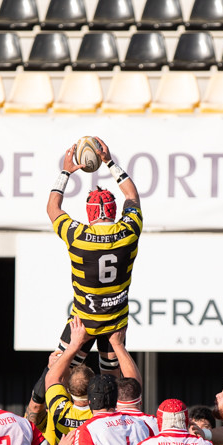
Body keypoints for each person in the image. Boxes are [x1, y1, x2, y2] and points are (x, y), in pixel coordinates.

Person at [47, 136, 143, 375]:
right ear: (114, 210)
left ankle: (35, 412)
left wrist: (65, 172)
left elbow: (53, 209)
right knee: (110, 383)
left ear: (89, 214)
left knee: (54, 374)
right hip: (115, 323)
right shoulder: (129, 230)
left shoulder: (77, 234)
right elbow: (132, 197)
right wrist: (110, 162)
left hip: (83, 320)